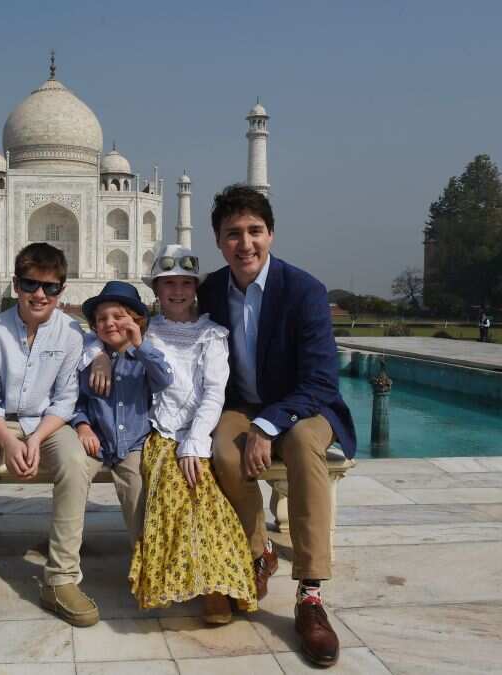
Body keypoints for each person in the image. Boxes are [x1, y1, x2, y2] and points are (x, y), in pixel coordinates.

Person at [198, 185, 357, 668]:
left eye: (254, 232)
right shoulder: (210, 291)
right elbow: (168, 336)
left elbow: (321, 380)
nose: (244, 244)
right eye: (233, 235)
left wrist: (268, 427)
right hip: (242, 403)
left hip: (305, 407)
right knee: (223, 453)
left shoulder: (303, 290)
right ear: (219, 242)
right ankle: (258, 552)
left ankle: (310, 593)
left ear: (271, 234)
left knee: (305, 441)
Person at [0, 243, 100, 627]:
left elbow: (66, 400)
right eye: (31, 285)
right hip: (0, 423)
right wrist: (9, 440)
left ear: (61, 291)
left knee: (74, 461)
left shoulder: (70, 332)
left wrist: (34, 440)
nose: (40, 295)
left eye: (50, 287)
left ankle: (61, 578)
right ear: (16, 284)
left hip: (48, 424)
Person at [128, 244, 258, 623]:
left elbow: (213, 392)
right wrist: (103, 354)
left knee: (205, 491)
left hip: (200, 434)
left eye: (186, 283)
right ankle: (199, 581)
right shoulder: (145, 333)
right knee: (177, 489)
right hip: (161, 433)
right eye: (170, 283)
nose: (178, 290)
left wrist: (195, 443)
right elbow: (100, 346)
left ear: (196, 288)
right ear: (156, 288)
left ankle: (220, 582)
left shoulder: (211, 335)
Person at [73, 281, 173, 546]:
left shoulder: (144, 357)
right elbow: (78, 401)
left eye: (119, 316)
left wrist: (141, 346)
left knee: (137, 495)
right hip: (97, 442)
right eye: (102, 319)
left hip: (133, 445)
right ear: (94, 326)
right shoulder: (89, 362)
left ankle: (144, 564)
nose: (110, 323)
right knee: (72, 478)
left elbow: (164, 379)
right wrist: (82, 426)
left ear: (137, 321)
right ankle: (65, 553)